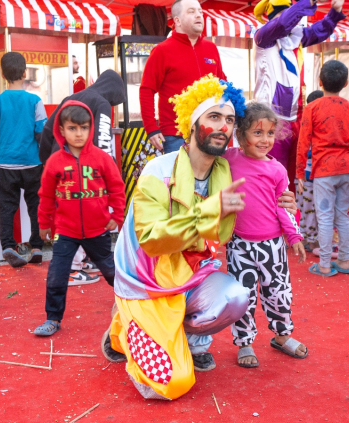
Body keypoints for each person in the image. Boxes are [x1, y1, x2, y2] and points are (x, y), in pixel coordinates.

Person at [101, 76, 249, 400]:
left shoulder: (224, 172)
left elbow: (221, 235)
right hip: (146, 282)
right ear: (192, 123)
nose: (224, 126)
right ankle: (121, 330)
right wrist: (210, 210)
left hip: (191, 275)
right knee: (170, 385)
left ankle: (192, 342)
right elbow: (152, 240)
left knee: (236, 297)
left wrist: (281, 202)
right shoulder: (157, 170)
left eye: (230, 120)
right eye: (214, 117)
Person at [33, 101, 126, 336]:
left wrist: (117, 215)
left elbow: (117, 187)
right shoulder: (55, 161)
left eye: (83, 128)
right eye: (72, 128)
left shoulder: (102, 158)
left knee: (110, 271)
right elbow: (45, 195)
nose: (78, 133)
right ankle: (53, 318)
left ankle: (134, 306)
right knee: (57, 274)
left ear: (90, 128)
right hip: (65, 231)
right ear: (61, 130)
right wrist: (44, 223)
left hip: (98, 229)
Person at [225, 102, 306, 368]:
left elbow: (284, 208)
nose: (265, 140)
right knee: (243, 296)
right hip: (239, 245)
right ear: (240, 135)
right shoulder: (227, 161)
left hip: (273, 246)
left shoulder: (277, 170)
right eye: (257, 133)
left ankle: (282, 336)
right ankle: (245, 342)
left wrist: (294, 237)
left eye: (270, 133)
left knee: (279, 293)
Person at [39, 70, 126, 285]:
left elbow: (47, 129)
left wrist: (48, 159)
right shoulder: (103, 103)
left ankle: (81, 260)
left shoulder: (70, 98)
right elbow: (104, 144)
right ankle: (72, 268)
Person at [253, 0, 346, 184]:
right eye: (290, 16)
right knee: (273, 178)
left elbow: (320, 30)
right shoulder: (263, 37)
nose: (294, 22)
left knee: (290, 179)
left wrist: (335, 12)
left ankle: (288, 213)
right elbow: (282, 23)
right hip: (270, 121)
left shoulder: (295, 39)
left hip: (294, 119)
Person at [0, 52, 47, 268]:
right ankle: (37, 246)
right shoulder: (35, 101)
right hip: (32, 163)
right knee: (35, 206)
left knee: (6, 207)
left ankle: (9, 246)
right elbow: (41, 132)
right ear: (25, 72)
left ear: (2, 74)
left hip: (6, 165)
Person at [297, 60, 349, 277]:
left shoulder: (312, 108)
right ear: (346, 83)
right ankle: (343, 260)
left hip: (323, 171)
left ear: (320, 82)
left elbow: (303, 142)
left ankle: (324, 265)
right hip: (346, 169)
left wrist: (299, 172)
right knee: (342, 216)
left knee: (324, 217)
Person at [139, 0, 226, 154]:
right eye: (192, 11)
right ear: (177, 20)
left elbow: (223, 85)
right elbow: (147, 89)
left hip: (210, 131)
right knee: (180, 178)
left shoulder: (211, 48)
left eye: (200, 11)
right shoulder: (162, 51)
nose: (199, 15)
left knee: (211, 178)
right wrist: (151, 127)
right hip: (176, 135)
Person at [296, 90, 323, 252]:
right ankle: (311, 240)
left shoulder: (306, 125)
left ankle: (306, 237)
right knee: (311, 208)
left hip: (304, 174)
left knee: (306, 208)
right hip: (309, 176)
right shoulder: (316, 128)